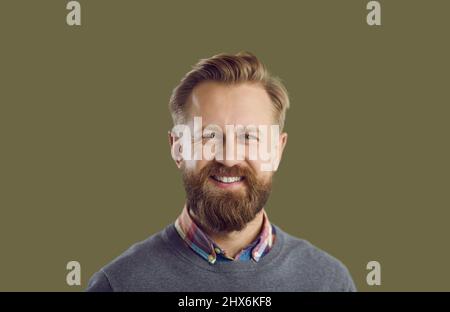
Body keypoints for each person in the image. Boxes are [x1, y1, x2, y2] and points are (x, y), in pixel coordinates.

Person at [86, 52, 356, 291]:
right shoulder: (119, 284)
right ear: (178, 148)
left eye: (249, 136)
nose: (228, 158)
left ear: (277, 150)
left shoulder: (329, 282)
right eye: (208, 136)